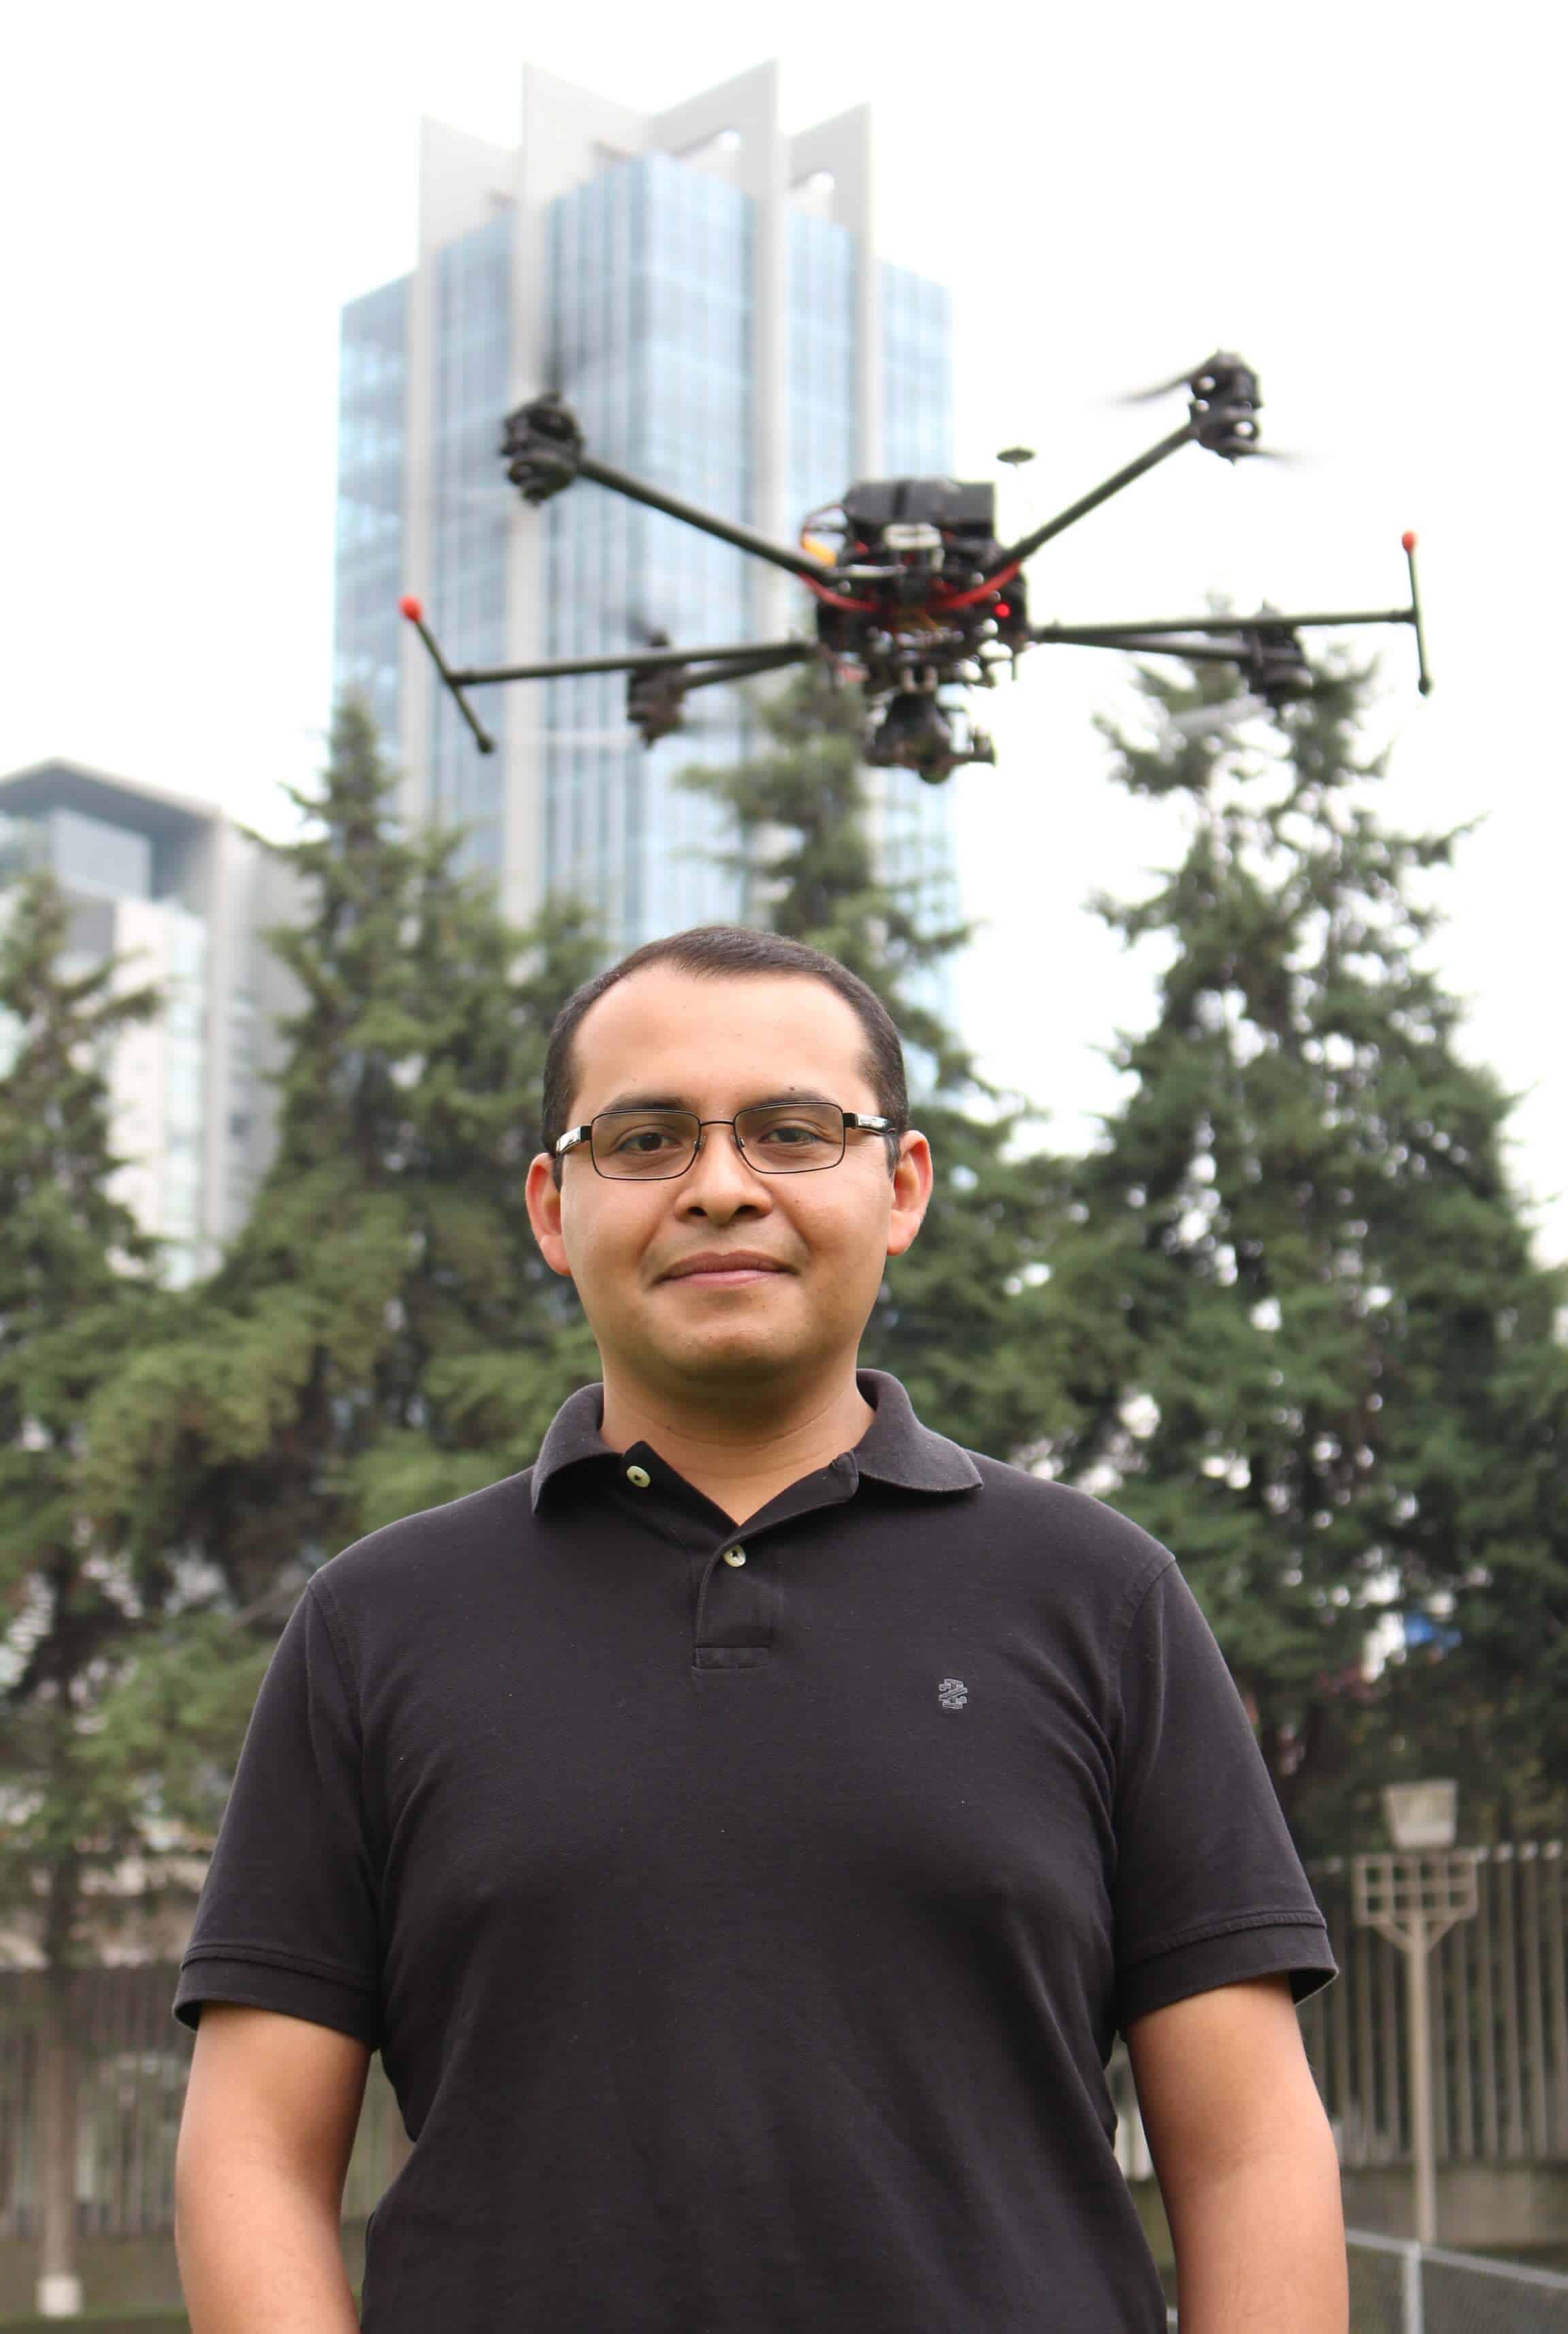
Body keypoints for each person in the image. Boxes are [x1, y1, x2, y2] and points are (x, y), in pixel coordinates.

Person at [172, 922, 1348, 2334]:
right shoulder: (377, 1625)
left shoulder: (1103, 1599)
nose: (722, 1189)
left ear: (900, 1186)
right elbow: (250, 2152)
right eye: (647, 1139)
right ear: (554, 1207)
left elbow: (1249, 2151)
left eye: (795, 1132)